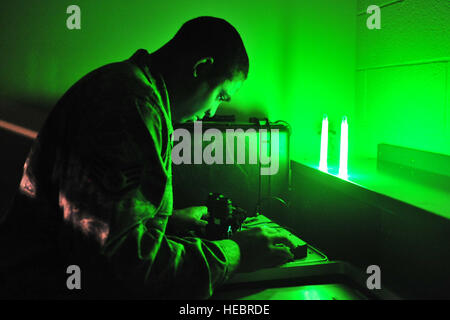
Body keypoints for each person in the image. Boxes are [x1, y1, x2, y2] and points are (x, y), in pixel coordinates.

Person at [0, 16, 295, 299]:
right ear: (201, 68)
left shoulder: (126, 87)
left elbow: (96, 221)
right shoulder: (131, 107)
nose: (212, 113)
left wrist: (169, 222)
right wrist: (237, 252)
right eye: (220, 96)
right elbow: (127, 269)